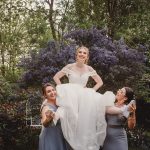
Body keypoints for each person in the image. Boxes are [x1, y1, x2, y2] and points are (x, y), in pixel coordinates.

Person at [53, 46, 116, 150]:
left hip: (84, 98)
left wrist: (92, 90)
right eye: (80, 52)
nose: (82, 54)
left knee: (84, 122)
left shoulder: (89, 69)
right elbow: (56, 77)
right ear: (76, 55)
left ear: (87, 56)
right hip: (71, 96)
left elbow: (100, 82)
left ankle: (83, 145)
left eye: (84, 53)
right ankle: (70, 143)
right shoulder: (70, 66)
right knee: (72, 119)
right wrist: (63, 89)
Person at [39, 83, 69, 150]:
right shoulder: (46, 107)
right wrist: (49, 119)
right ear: (45, 95)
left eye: (53, 90)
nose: (52, 92)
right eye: (49, 91)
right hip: (50, 137)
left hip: (60, 136)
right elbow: (44, 123)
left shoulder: (59, 104)